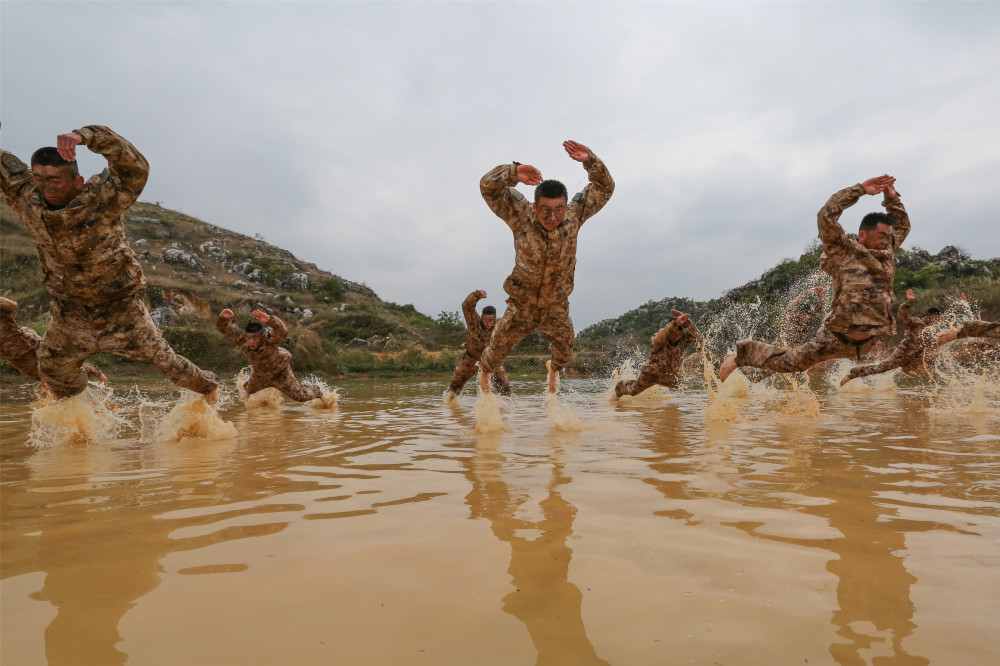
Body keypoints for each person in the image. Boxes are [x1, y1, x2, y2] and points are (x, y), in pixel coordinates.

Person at [0, 125, 219, 402]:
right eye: (40, 178)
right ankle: (88, 412)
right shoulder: (25, 197)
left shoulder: (100, 198)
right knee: (53, 370)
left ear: (77, 181)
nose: (48, 186)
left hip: (121, 310)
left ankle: (208, 387)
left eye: (56, 179)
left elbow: (134, 169)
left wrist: (88, 136)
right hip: (70, 313)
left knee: (165, 362)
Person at [719, 175, 909, 382]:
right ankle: (741, 356)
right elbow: (826, 216)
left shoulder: (887, 252)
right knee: (792, 364)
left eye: (888, 236)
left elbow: (902, 226)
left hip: (867, 342)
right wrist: (860, 189)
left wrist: (892, 199)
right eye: (881, 235)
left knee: (791, 364)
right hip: (836, 337)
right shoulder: (843, 251)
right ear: (862, 235)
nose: (886, 241)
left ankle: (753, 372)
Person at [476, 140, 614, 394]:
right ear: (533, 207)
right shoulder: (520, 215)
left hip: (555, 306)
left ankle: (552, 369)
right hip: (522, 305)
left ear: (566, 206)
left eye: (558, 210)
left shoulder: (575, 216)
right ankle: (484, 388)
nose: (552, 218)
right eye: (545, 211)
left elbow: (605, 188)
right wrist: (512, 172)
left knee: (565, 355)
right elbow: (488, 188)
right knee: (493, 356)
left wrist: (590, 160)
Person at [216, 308, 334, 406]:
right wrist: (223, 317)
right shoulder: (243, 340)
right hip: (260, 375)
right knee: (247, 392)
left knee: (301, 397)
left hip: (281, 374)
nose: (251, 342)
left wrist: (270, 320)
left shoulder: (270, 341)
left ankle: (318, 391)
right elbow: (223, 328)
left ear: (262, 337)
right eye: (249, 338)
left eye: (255, 338)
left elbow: (282, 331)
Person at [0, 297, 107, 387]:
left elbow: (12, 305)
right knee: (46, 377)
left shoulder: (3, 316)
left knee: (59, 367)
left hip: (30, 343)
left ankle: (96, 375)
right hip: (18, 358)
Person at [840, 290, 929, 386]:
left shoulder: (934, 329)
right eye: (934, 319)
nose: (936, 321)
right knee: (881, 368)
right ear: (928, 317)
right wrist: (908, 302)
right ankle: (853, 374)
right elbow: (902, 315)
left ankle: (905, 368)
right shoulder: (916, 322)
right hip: (904, 350)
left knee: (919, 353)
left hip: (914, 353)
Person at [614, 310, 700, 398]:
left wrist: (687, 322)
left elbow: (697, 336)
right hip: (651, 374)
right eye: (674, 333)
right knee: (633, 391)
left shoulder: (682, 341)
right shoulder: (659, 339)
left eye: (679, 333)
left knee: (678, 388)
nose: (676, 336)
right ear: (669, 331)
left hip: (670, 375)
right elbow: (661, 335)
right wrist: (675, 323)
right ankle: (617, 392)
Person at [446, 290, 511, 398]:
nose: (489, 323)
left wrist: (512, 302)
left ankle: (506, 408)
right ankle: (449, 406)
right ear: (481, 317)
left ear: (495, 318)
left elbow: (513, 317)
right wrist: (476, 295)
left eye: (491, 320)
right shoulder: (474, 322)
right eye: (486, 320)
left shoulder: (499, 325)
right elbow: (466, 306)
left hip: (491, 359)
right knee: (455, 386)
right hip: (471, 358)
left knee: (504, 388)